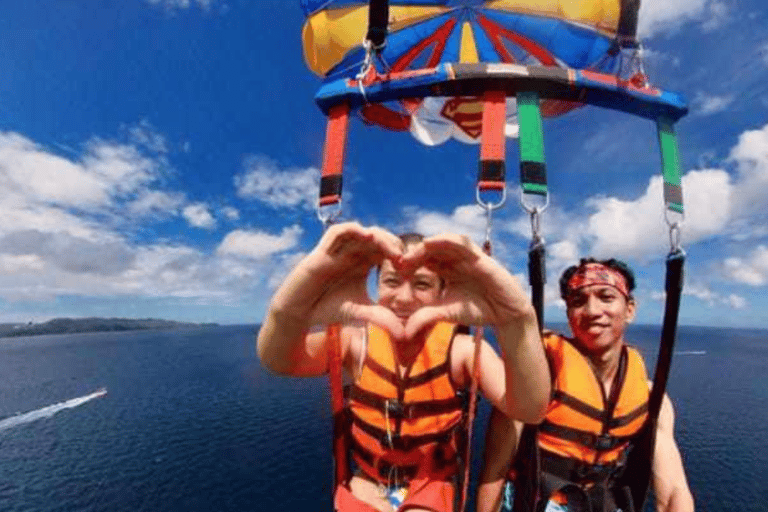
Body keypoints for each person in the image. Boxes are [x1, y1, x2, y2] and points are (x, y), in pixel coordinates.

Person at [257, 222, 551, 512]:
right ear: (377, 285)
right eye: (392, 281)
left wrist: (517, 322)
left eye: (422, 284)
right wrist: (290, 310)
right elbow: (279, 359)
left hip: (429, 483)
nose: (404, 298)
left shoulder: (462, 351)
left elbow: (529, 408)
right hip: (367, 481)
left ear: (442, 292)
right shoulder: (355, 343)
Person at [477, 258, 694, 512]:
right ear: (569, 314)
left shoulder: (650, 398)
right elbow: (495, 468)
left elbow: (674, 490)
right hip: (540, 502)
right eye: (578, 301)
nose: (592, 311)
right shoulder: (535, 378)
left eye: (606, 297)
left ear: (630, 309)